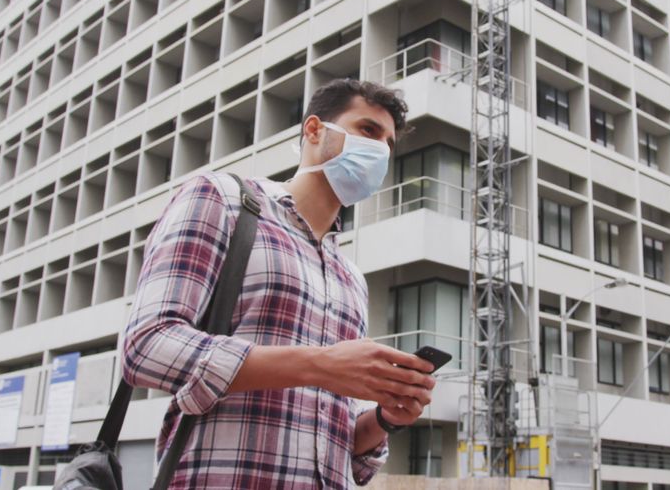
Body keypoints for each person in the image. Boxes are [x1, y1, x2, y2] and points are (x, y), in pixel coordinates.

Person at [122, 79, 437, 489]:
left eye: (389, 145)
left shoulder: (351, 279)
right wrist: (320, 365)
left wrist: (384, 417)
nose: (380, 150)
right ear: (314, 130)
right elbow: (145, 346)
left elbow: (348, 454)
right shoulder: (224, 201)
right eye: (368, 130)